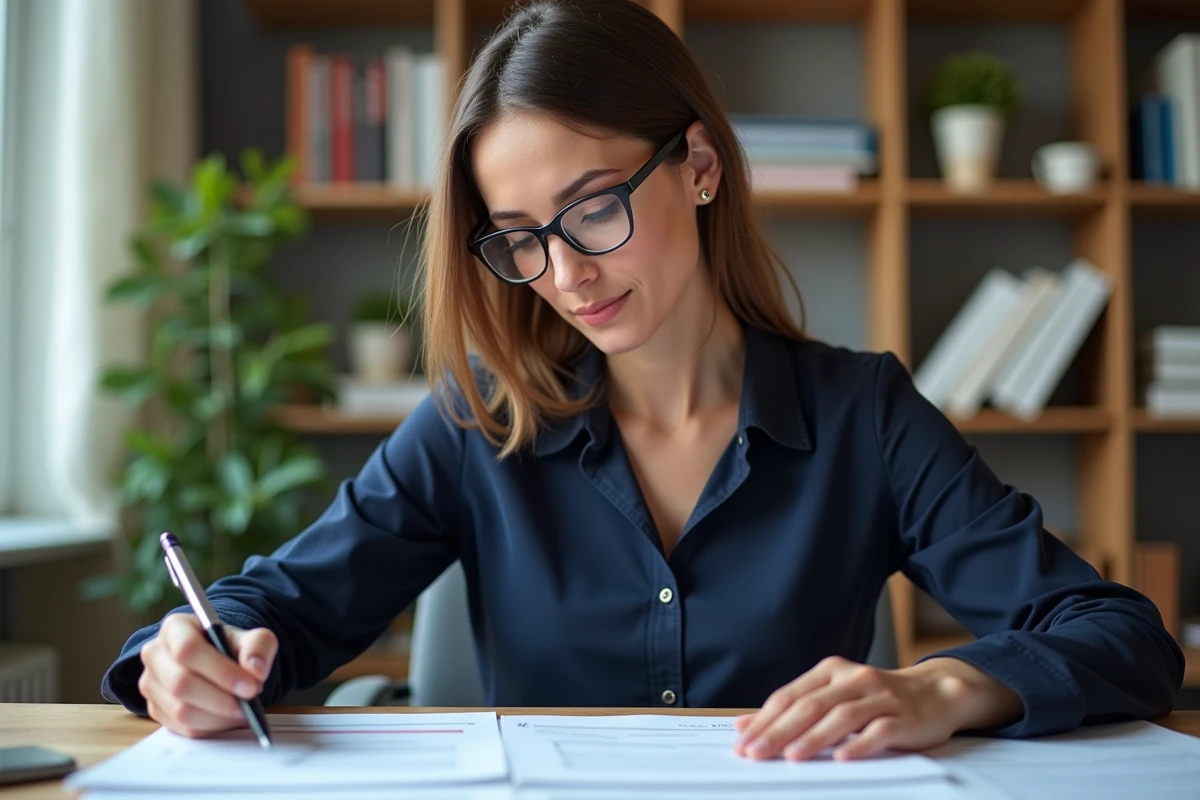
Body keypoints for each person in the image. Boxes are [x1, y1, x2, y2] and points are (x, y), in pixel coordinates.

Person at [102, 0, 1182, 762]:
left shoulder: (864, 415)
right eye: (520, 237)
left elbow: (1122, 634)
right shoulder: (479, 421)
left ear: (700, 168)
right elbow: (275, 604)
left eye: (594, 208)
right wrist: (189, 651)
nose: (565, 272)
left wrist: (946, 684)